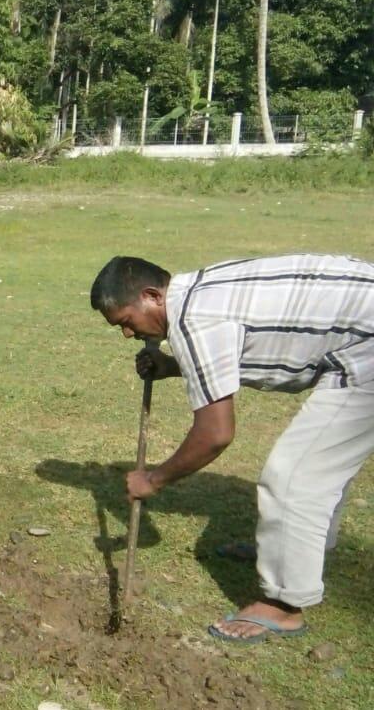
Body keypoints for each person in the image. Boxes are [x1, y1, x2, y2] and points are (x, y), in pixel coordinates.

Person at [91, 254, 374, 643]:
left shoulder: (194, 319)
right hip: (360, 331)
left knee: (295, 476)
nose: (128, 334)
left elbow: (215, 434)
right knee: (319, 466)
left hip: (367, 346)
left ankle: (283, 605)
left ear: (153, 296)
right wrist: (174, 366)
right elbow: (235, 345)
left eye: (126, 322)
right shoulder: (195, 292)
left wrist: (153, 480)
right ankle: (289, 554)